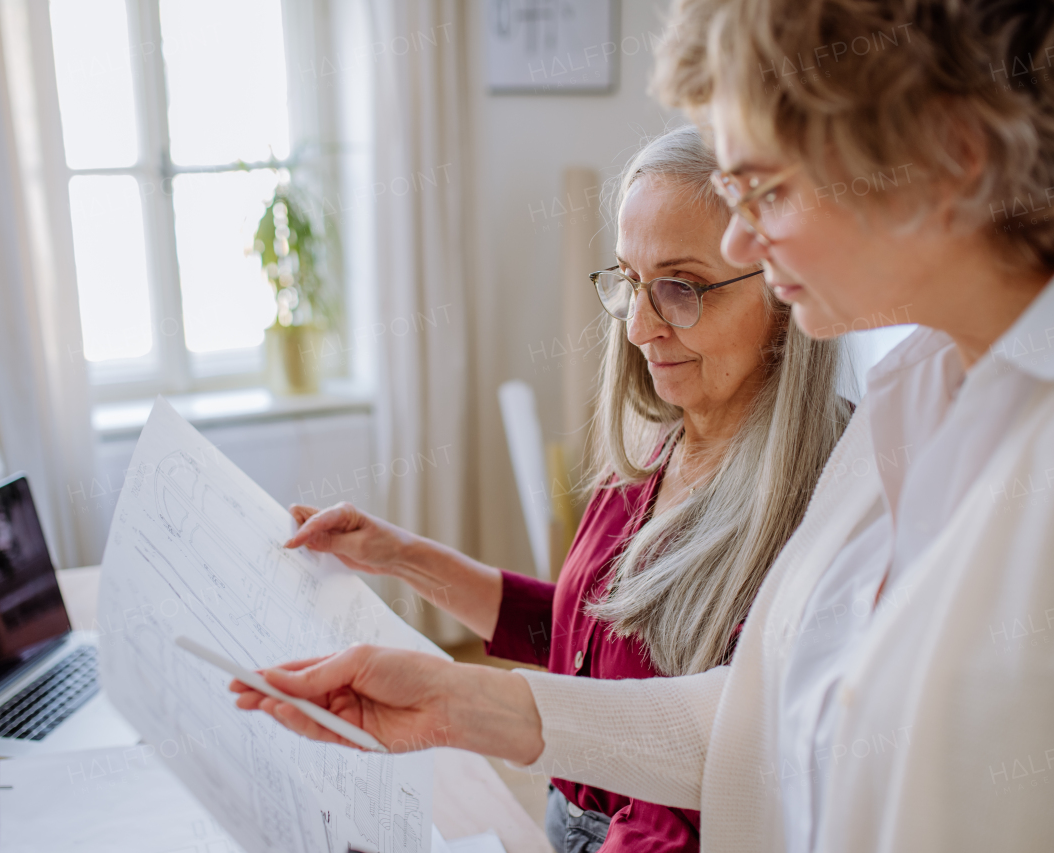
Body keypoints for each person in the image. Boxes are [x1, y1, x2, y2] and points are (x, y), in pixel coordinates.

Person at [234, 0, 1054, 849]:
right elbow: (753, 720)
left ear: (949, 154)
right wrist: (455, 698)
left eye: (766, 190)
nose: (744, 243)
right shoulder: (917, 391)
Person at [273, 125, 850, 853]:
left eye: (680, 288)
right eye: (630, 282)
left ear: (783, 291)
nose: (640, 327)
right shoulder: (666, 437)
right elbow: (583, 635)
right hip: (566, 814)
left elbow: (706, 782)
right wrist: (398, 554)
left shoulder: (817, 509)